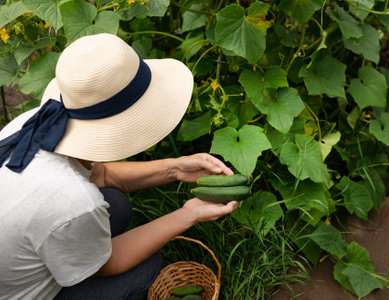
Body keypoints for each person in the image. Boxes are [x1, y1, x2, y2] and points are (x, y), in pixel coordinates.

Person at [0, 33, 238, 300]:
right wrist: (187, 215)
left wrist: (175, 169)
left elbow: (101, 174)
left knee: (115, 203)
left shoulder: (38, 121)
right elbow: (108, 265)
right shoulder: (73, 200)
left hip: (16, 254)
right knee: (144, 269)